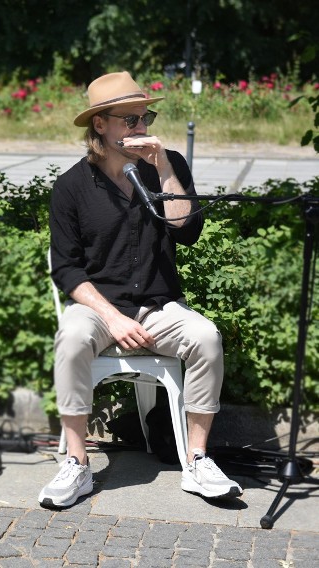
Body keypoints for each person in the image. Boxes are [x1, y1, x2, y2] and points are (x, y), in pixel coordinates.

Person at [41, 71, 242, 508]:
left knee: (206, 338)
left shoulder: (165, 166)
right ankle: (76, 464)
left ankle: (198, 460)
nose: (141, 127)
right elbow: (67, 270)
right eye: (129, 120)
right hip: (99, 307)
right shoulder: (71, 186)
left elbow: (186, 230)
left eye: (145, 117)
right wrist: (112, 317)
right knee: (71, 337)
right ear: (101, 125)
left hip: (156, 305)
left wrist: (165, 166)